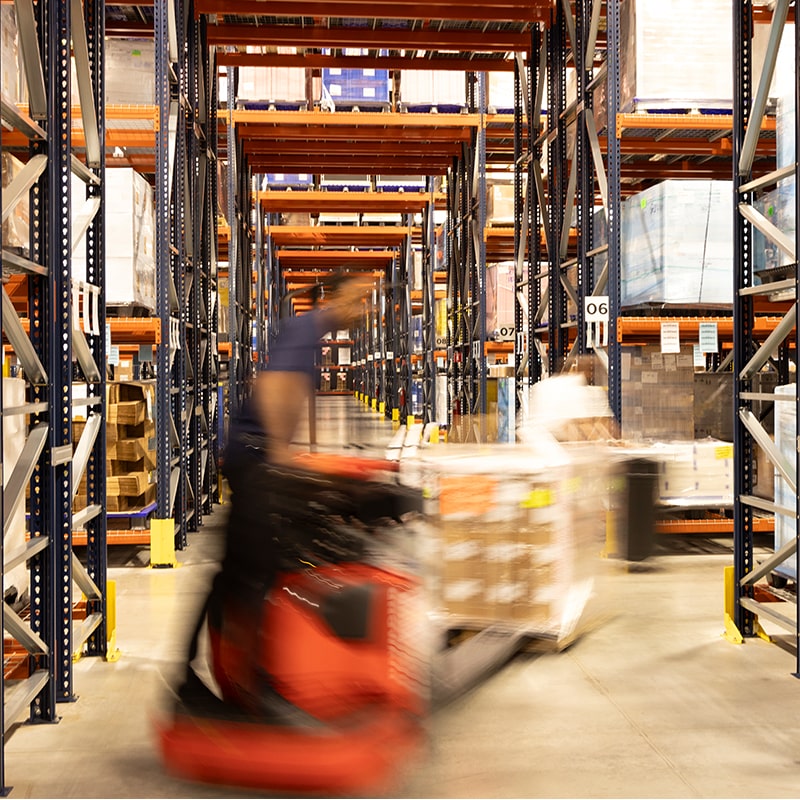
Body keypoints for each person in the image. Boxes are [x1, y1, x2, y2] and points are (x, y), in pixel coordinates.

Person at [179, 274, 369, 719]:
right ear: (335, 297)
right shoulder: (305, 329)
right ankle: (254, 686)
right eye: (358, 300)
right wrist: (281, 461)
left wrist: (300, 456)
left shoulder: (309, 334)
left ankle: (192, 680)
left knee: (232, 575)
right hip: (257, 460)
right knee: (258, 577)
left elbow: (293, 397)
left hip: (251, 457)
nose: (363, 309)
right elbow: (274, 388)